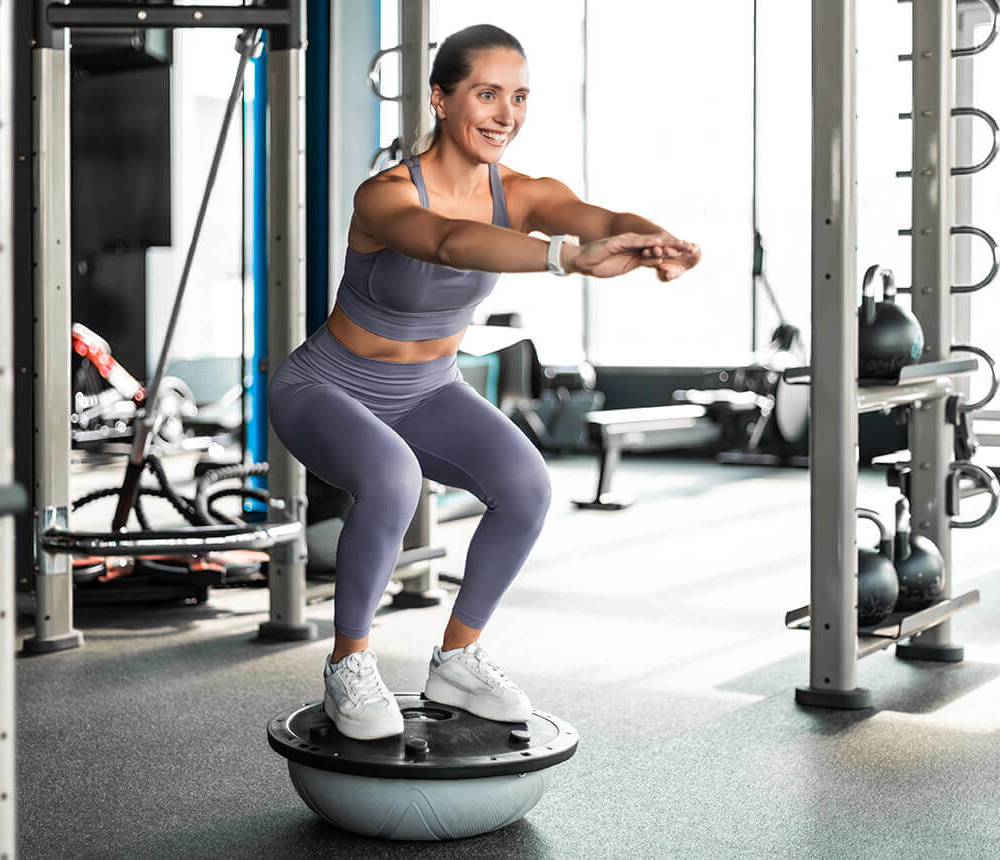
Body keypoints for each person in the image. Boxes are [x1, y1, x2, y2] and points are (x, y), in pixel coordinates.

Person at [267, 24, 701, 741]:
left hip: (429, 390)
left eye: (520, 97)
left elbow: (603, 219)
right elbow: (444, 241)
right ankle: (349, 665)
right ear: (440, 98)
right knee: (395, 481)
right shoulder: (384, 195)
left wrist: (657, 241)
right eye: (488, 94)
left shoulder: (523, 193)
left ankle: (458, 657)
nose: (507, 114)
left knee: (527, 487)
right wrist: (565, 256)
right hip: (326, 388)